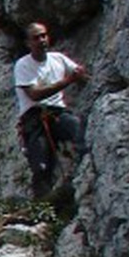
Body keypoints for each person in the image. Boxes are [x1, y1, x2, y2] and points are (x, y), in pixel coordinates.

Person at [13, 21, 89, 198]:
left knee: (77, 129)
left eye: (44, 35)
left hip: (57, 113)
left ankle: (82, 172)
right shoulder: (23, 65)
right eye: (36, 37)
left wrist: (81, 75)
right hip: (34, 118)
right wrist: (68, 81)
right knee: (41, 166)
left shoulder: (58, 59)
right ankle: (43, 209)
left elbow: (80, 76)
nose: (42, 40)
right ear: (28, 43)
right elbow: (34, 95)